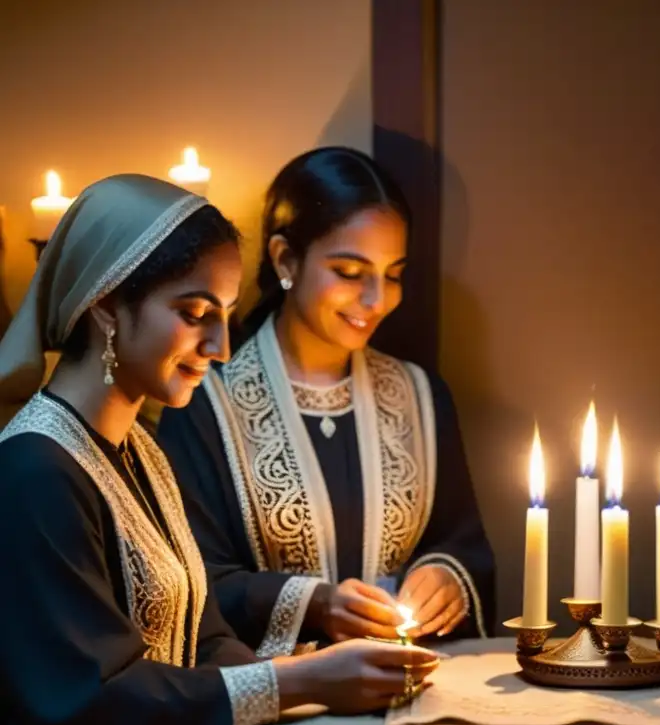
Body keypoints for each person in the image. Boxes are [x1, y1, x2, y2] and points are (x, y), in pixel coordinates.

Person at [0, 174, 438, 725]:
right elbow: (86, 702)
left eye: (226, 315)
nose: (221, 346)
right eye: (195, 312)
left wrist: (314, 670)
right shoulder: (34, 472)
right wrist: (299, 683)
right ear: (105, 307)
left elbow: (201, 637)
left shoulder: (141, 452)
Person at [157, 148, 495, 659]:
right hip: (280, 704)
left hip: (412, 684)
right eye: (350, 271)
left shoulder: (420, 397)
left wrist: (446, 578)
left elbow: (461, 541)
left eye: (394, 274)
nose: (377, 300)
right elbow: (187, 580)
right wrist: (313, 605)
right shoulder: (206, 403)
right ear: (285, 259)